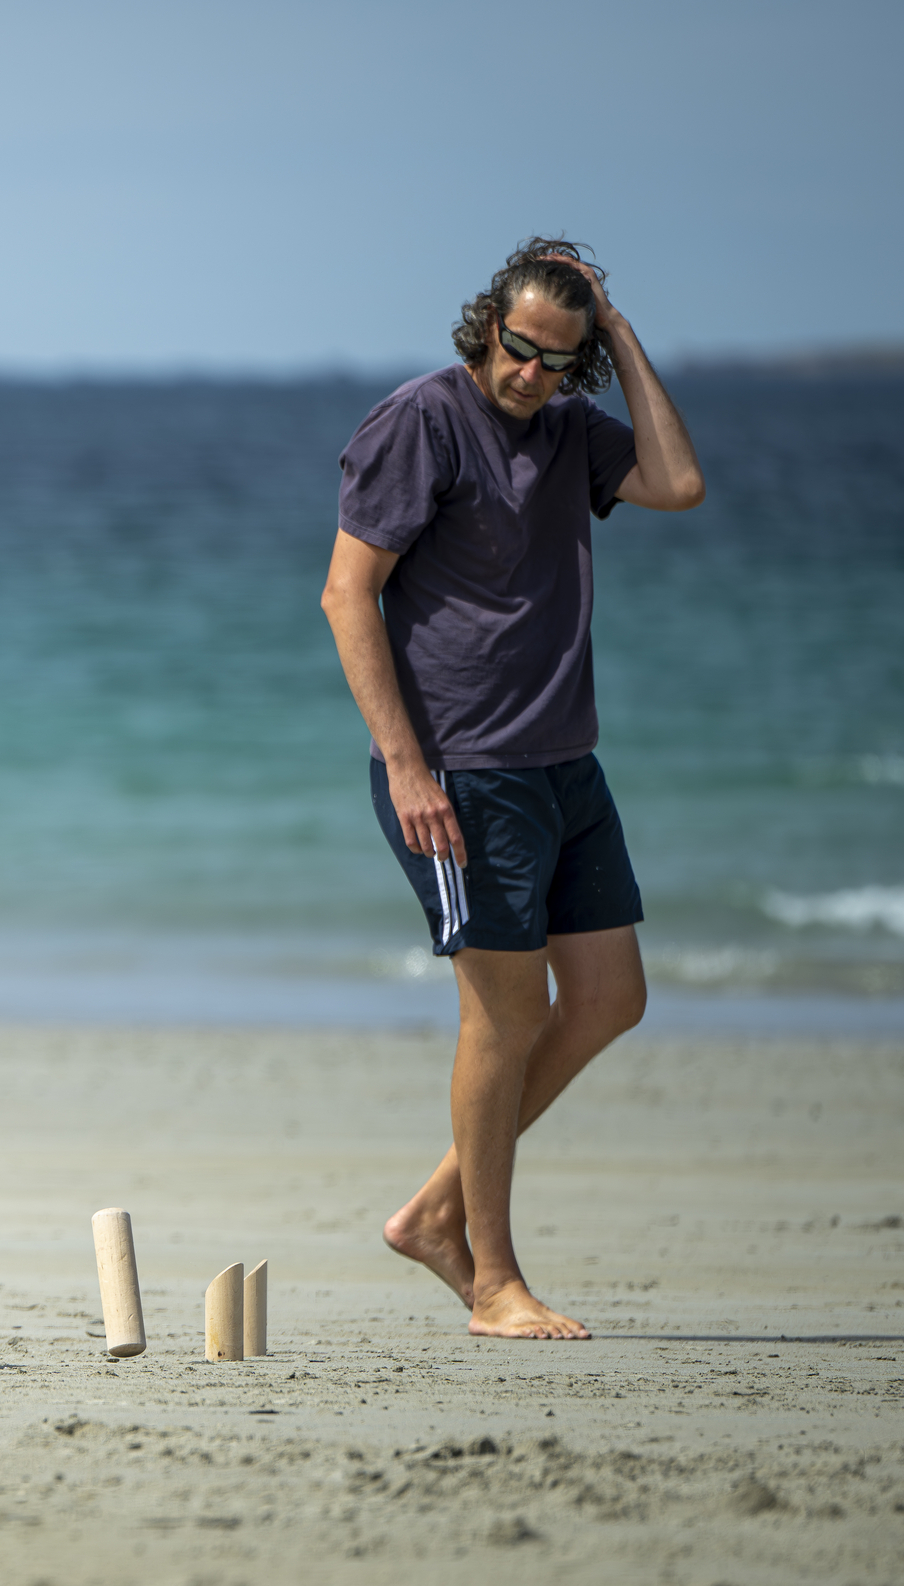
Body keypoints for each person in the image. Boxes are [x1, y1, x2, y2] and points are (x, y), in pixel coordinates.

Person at [319, 238, 706, 1339]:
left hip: (565, 761)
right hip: (459, 769)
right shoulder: (421, 421)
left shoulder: (572, 432)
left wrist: (619, 332)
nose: (530, 371)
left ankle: (435, 1212)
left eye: (557, 357)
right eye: (518, 345)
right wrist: (406, 766)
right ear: (487, 323)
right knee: (505, 1013)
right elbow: (347, 596)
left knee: (610, 998)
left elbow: (678, 484)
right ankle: (492, 1280)